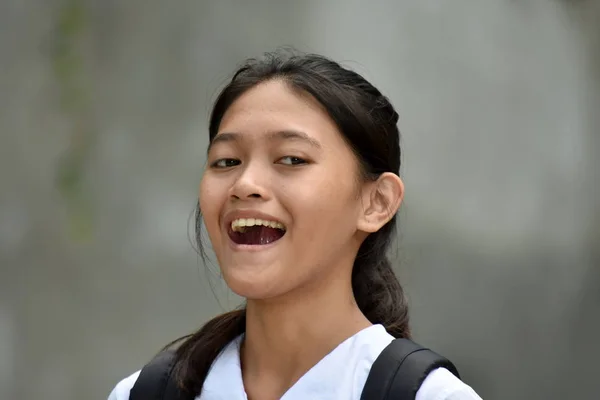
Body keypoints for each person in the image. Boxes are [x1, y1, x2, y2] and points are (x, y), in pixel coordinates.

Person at [108, 50, 482, 400]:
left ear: (376, 202)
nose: (245, 185)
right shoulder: (144, 394)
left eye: (291, 159)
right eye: (226, 161)